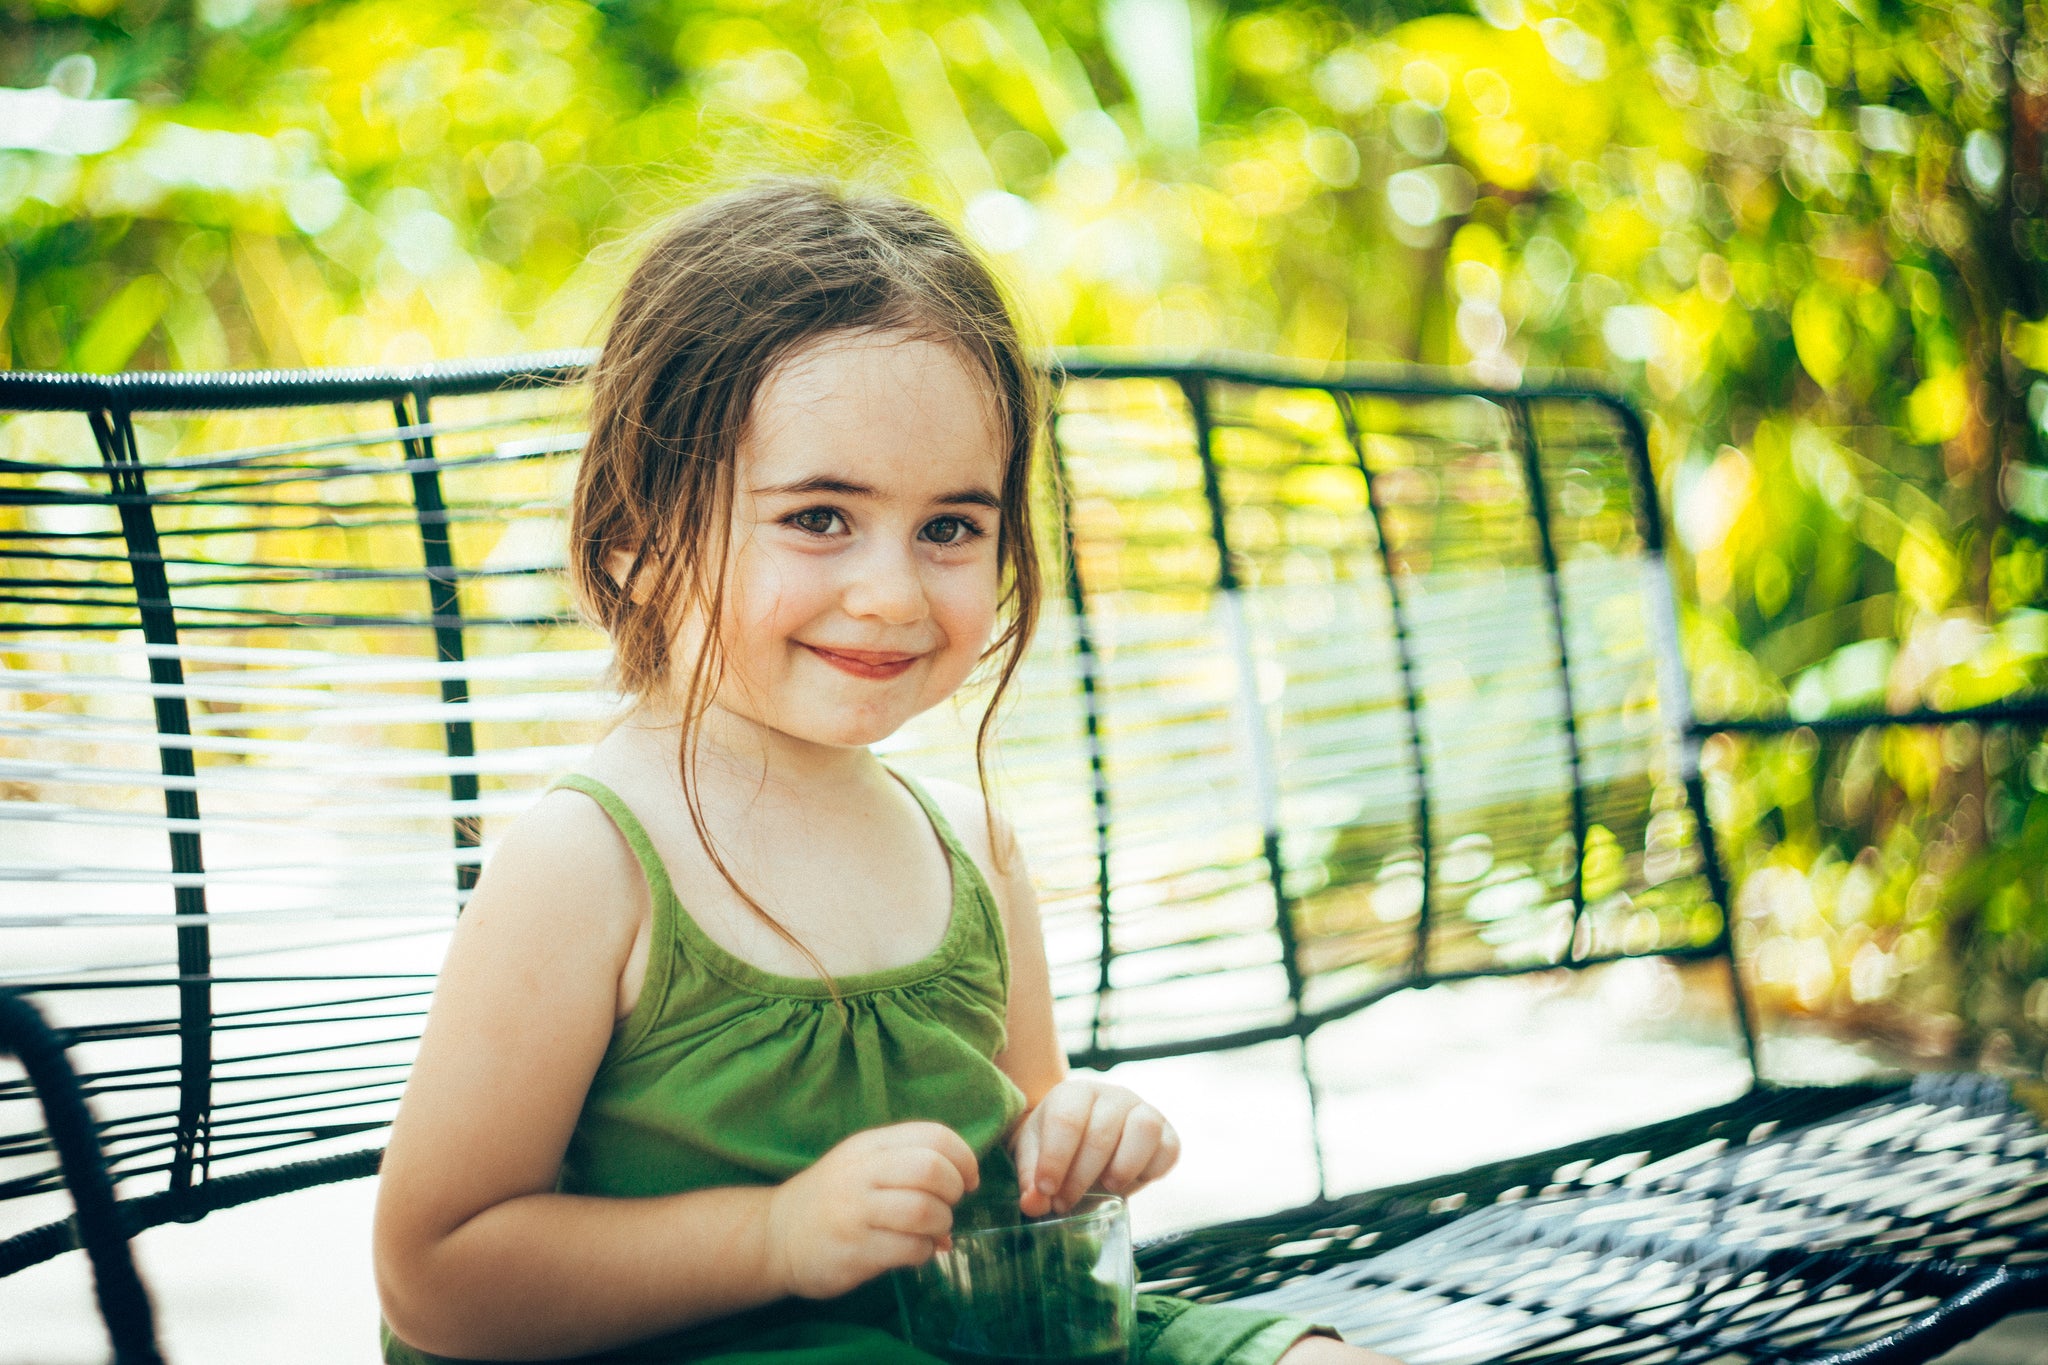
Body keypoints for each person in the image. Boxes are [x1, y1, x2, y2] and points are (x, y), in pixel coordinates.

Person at [372, 178, 1395, 1365]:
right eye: (817, 517)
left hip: (980, 1331)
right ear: (637, 541)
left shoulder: (970, 844)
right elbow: (436, 1275)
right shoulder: (589, 865)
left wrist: (1076, 1140)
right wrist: (775, 1237)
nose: (894, 593)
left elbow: (1024, 1194)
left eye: (950, 528)